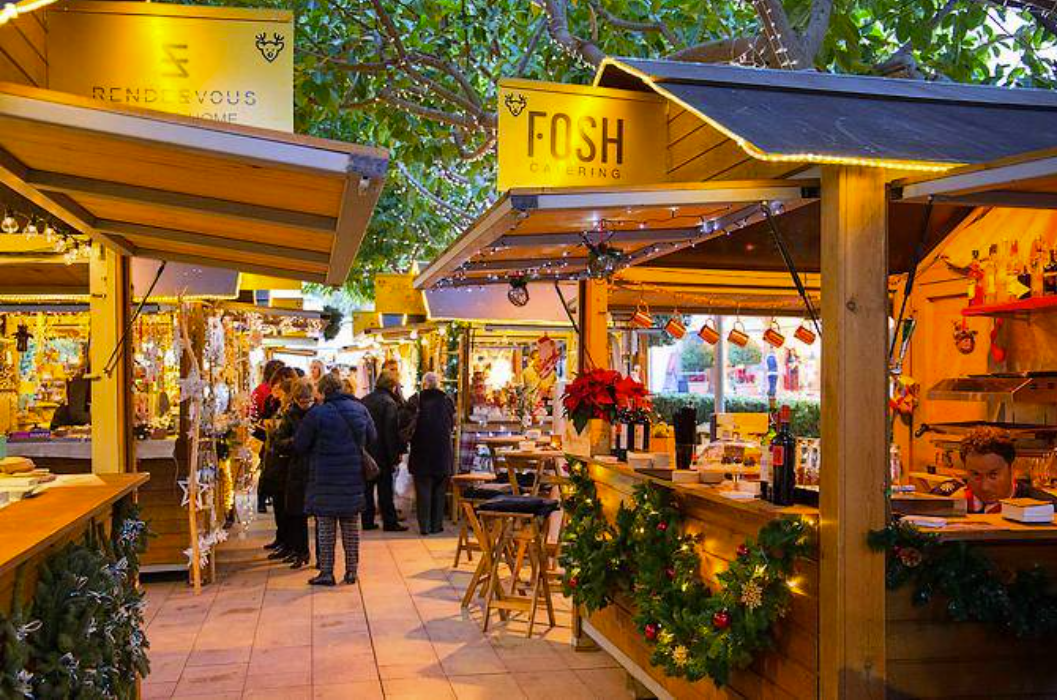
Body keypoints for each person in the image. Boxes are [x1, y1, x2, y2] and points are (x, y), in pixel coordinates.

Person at [294, 373, 376, 586]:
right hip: (352, 476)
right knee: (350, 528)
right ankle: (351, 572)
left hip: (324, 478)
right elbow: (373, 436)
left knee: (326, 528)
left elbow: (300, 444)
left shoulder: (317, 414)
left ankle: (327, 572)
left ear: (322, 391)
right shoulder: (360, 409)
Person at [959, 426, 1057, 514]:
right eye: (976, 475)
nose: (985, 487)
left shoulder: (1047, 508)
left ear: (1012, 469)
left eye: (993, 475)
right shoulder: (955, 502)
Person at [271, 377, 314, 569]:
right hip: (295, 469)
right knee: (296, 514)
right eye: (302, 401)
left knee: (320, 516)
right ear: (295, 399)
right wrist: (295, 442)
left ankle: (322, 557)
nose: (305, 404)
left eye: (308, 401)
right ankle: (300, 551)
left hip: (314, 469)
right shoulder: (290, 415)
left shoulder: (318, 413)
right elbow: (279, 442)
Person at [406, 372, 456, 535]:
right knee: (439, 490)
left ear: (423, 384)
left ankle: (424, 526)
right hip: (442, 451)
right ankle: (437, 525)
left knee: (423, 490)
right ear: (438, 384)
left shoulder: (416, 399)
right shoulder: (447, 400)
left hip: (421, 450)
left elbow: (406, 421)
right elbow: (452, 422)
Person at [361, 372, 409, 532]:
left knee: (367, 487)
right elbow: (390, 432)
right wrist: (394, 456)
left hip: (367, 451)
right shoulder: (389, 403)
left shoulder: (366, 400)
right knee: (385, 489)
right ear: (392, 385)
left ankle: (367, 521)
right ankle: (389, 522)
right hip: (382, 452)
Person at [261, 367, 298, 559]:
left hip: (285, 461)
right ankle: (282, 538)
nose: (273, 390)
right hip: (274, 458)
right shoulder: (274, 403)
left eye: (276, 387)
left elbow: (292, 436)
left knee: (286, 505)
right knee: (278, 502)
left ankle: (290, 543)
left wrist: (274, 433)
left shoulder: (292, 409)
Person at [253, 360, 285, 516]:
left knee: (268, 469)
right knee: (267, 469)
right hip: (268, 438)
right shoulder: (266, 394)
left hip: (275, 440)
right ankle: (262, 498)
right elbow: (259, 414)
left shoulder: (266, 393)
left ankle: (266, 498)